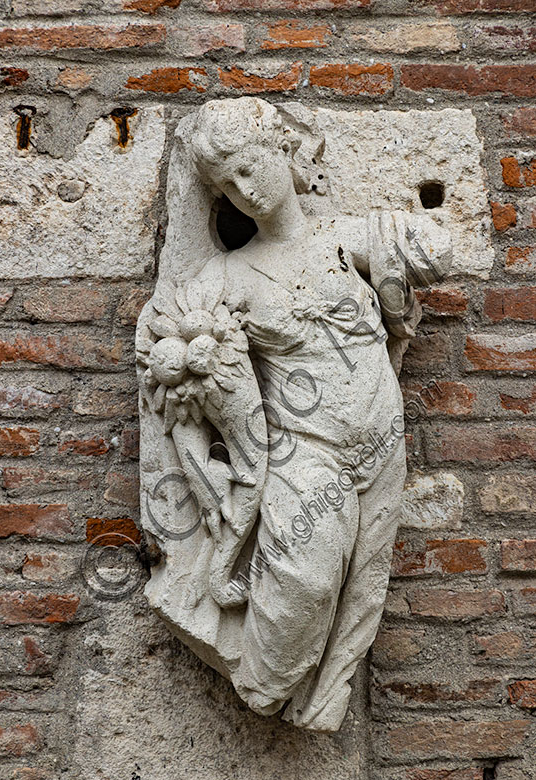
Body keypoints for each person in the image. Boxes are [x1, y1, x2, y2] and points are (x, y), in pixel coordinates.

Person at [137, 98, 451, 732]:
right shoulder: (228, 276)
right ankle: (262, 681)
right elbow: (175, 357)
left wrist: (400, 241)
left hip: (382, 442)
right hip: (307, 452)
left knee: (361, 592)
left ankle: (321, 700)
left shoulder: (344, 239)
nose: (244, 191)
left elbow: (437, 252)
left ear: (282, 150)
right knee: (303, 586)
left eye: (250, 169)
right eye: (226, 184)